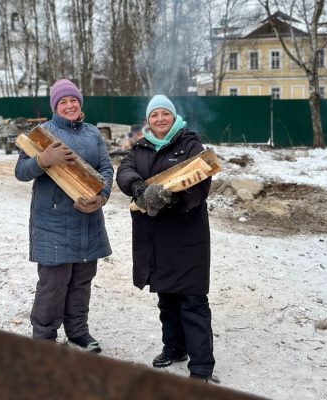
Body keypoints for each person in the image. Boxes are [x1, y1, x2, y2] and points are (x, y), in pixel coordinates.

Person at [115, 94, 217, 382]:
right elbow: (125, 171)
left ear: (174, 117)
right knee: (167, 297)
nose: (160, 119)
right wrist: (138, 188)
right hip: (155, 237)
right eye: (154, 115)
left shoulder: (189, 144)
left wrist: (171, 201)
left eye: (165, 114)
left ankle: (201, 366)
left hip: (186, 235)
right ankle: (174, 348)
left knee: (192, 300)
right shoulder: (141, 147)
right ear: (148, 120)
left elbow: (201, 183)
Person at [14, 78, 113, 353]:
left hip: (87, 219)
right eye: (63, 101)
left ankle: (79, 331)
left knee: (82, 280)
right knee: (53, 284)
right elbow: (21, 172)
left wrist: (101, 197)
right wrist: (43, 160)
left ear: (80, 103)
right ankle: (44, 338)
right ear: (55, 106)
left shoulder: (93, 133)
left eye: (73, 100)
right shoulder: (42, 133)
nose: (69, 105)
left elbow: (106, 168)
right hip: (53, 222)